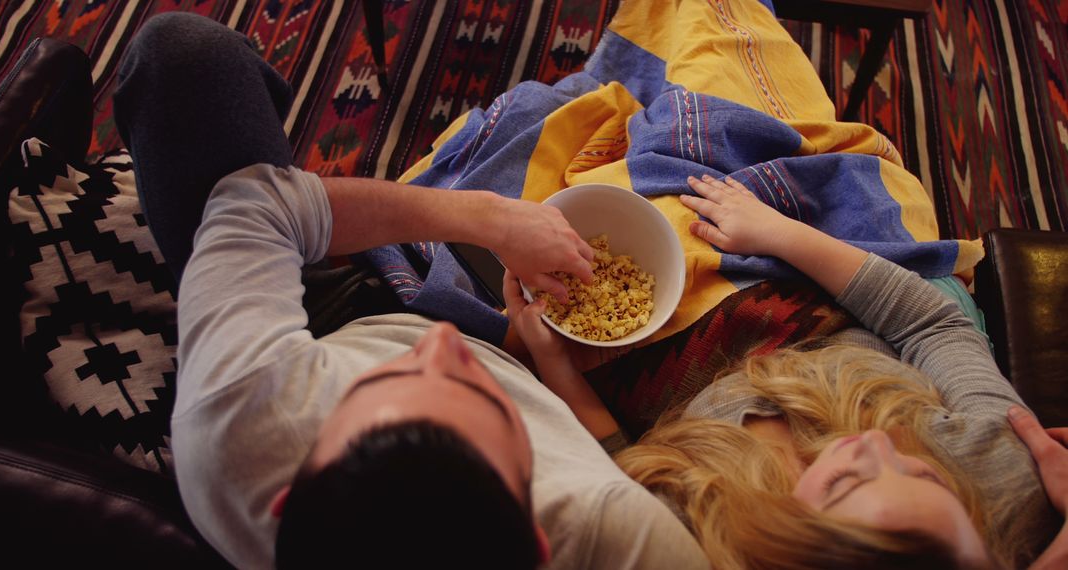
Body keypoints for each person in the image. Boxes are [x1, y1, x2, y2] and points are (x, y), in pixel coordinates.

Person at [113, 12, 711, 570]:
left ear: (285, 503)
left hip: (324, 320)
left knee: (181, 57)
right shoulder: (609, 529)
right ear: (537, 545)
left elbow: (258, 204)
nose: (441, 345)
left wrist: (489, 219)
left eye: (389, 382)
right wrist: (543, 362)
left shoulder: (237, 429)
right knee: (541, 118)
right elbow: (620, 459)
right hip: (530, 356)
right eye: (483, 398)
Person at [505, 174, 1062, 569]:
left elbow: (622, 459)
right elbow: (931, 326)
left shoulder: (689, 536)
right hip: (836, 302)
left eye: (847, 481)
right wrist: (776, 233)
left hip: (671, 370)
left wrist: (556, 367)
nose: (874, 444)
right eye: (925, 475)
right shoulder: (1005, 479)